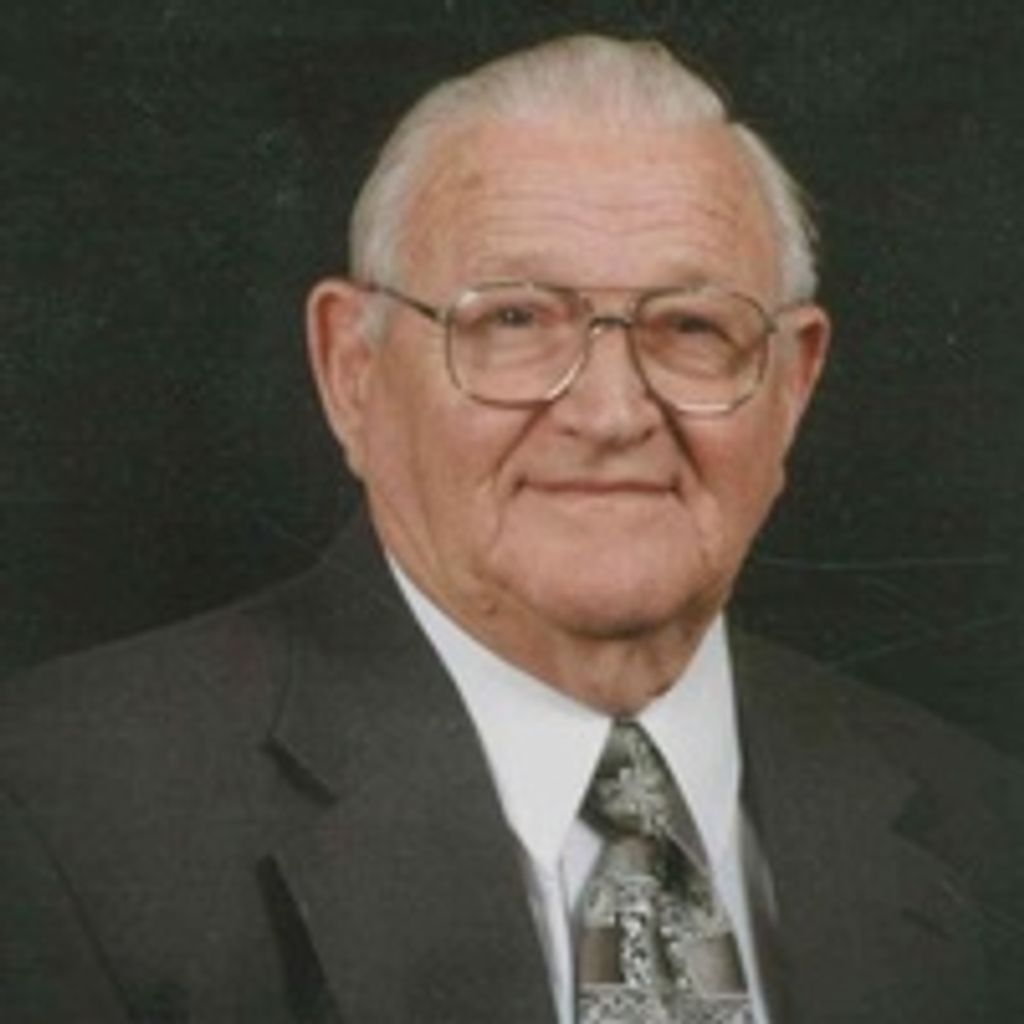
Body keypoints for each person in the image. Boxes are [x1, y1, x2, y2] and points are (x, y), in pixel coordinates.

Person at [1, 33, 1022, 1024]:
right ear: (352, 374)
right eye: (515, 321)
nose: (611, 413)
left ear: (791, 386)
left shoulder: (985, 827)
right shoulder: (58, 811)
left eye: (692, 326)